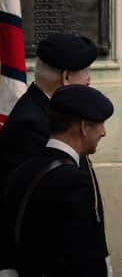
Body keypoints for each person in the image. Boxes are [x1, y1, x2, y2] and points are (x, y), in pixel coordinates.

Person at [0, 33, 100, 275]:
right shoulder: (32, 123)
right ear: (66, 77)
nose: (89, 79)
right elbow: (33, 212)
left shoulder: (49, 112)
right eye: (85, 72)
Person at [4, 84, 113, 277]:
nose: (103, 132)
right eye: (100, 124)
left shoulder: (23, 170)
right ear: (83, 127)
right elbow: (80, 260)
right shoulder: (75, 181)